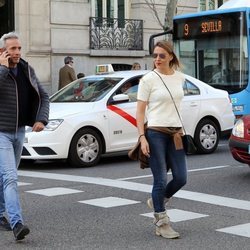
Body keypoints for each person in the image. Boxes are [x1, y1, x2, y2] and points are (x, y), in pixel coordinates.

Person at [0, 32, 50, 241]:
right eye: (13, 49)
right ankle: (16, 223)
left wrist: (41, 119)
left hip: (20, 131)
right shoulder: (1, 70)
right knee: (11, 177)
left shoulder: (26, 69)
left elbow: (44, 96)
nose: (17, 52)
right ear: (3, 51)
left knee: (4, 176)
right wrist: (3, 69)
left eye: (19, 48)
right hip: (1, 132)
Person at [136, 40, 187, 239]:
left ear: (171, 57)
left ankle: (159, 199)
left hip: (176, 133)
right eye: (155, 55)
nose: (157, 59)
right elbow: (140, 112)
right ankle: (162, 222)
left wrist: (182, 129)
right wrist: (142, 137)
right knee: (160, 179)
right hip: (155, 133)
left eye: (162, 56)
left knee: (181, 177)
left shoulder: (180, 78)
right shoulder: (148, 79)